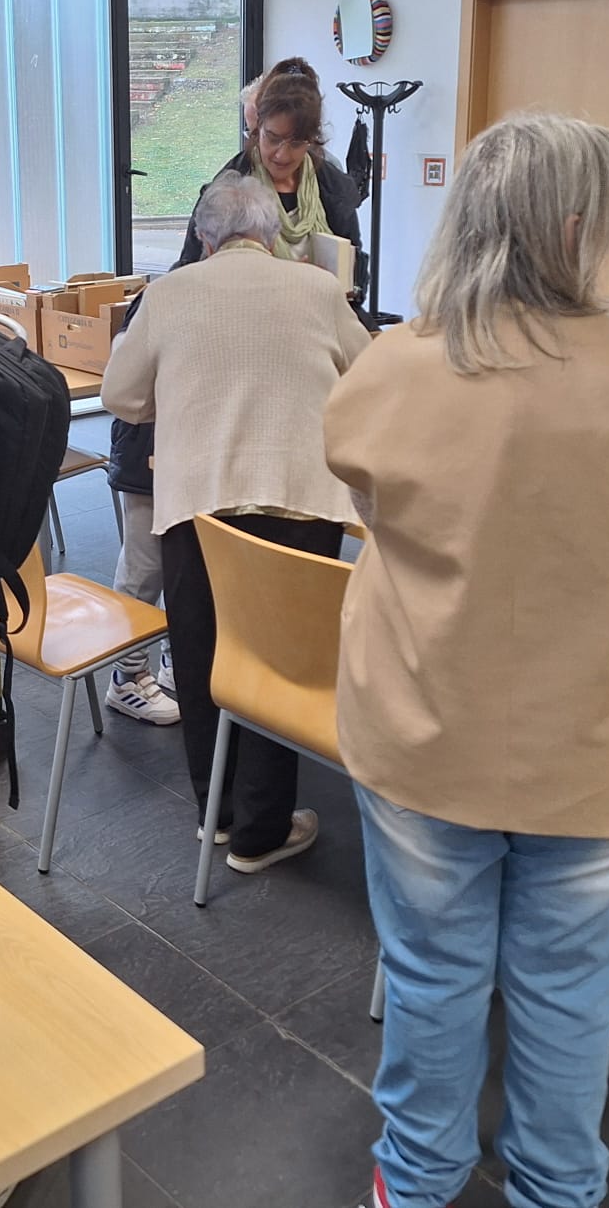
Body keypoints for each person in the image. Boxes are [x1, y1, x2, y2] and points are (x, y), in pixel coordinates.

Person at [323, 114, 609, 1208]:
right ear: (580, 226)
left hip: (423, 723)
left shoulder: (392, 367)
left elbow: (369, 502)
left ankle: (417, 1180)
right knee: (567, 995)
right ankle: (555, 1187)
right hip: (606, 741)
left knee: (431, 976)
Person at [102, 171, 369, 872]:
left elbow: (119, 395)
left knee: (203, 654)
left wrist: (183, 399)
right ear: (272, 232)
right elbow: (369, 379)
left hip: (199, 502)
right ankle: (261, 829)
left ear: (203, 233)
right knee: (279, 659)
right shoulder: (318, 289)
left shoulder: (168, 294)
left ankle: (214, 816)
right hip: (303, 500)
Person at [177, 58, 367, 310]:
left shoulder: (334, 191)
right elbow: (191, 272)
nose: (282, 155)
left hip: (318, 317)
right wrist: (288, 282)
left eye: (297, 143)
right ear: (257, 128)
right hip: (245, 322)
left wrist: (338, 286)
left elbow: (356, 274)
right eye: (273, 138)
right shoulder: (227, 191)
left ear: (313, 140)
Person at [100, 292, 181, 726]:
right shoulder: (159, 301)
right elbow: (123, 387)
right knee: (144, 568)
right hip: (145, 452)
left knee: (185, 562)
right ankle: (126, 677)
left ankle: (173, 657)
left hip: (184, 451)